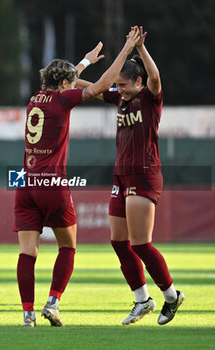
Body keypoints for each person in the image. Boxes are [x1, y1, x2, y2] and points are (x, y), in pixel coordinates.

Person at [14, 27, 140, 327]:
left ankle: (28, 315)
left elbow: (63, 79)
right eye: (70, 82)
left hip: (25, 184)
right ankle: (53, 302)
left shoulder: (35, 99)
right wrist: (123, 52)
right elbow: (99, 87)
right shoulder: (62, 101)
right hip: (52, 184)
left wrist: (83, 62)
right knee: (67, 247)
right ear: (63, 85)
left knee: (27, 253)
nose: (73, 85)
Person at [77, 26, 184, 326]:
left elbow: (156, 77)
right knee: (118, 242)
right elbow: (89, 85)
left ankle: (172, 296)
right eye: (118, 86)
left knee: (140, 244)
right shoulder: (121, 99)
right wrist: (79, 69)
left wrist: (139, 49)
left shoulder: (150, 98)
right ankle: (142, 299)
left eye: (124, 85)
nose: (120, 90)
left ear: (138, 82)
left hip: (144, 174)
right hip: (121, 177)